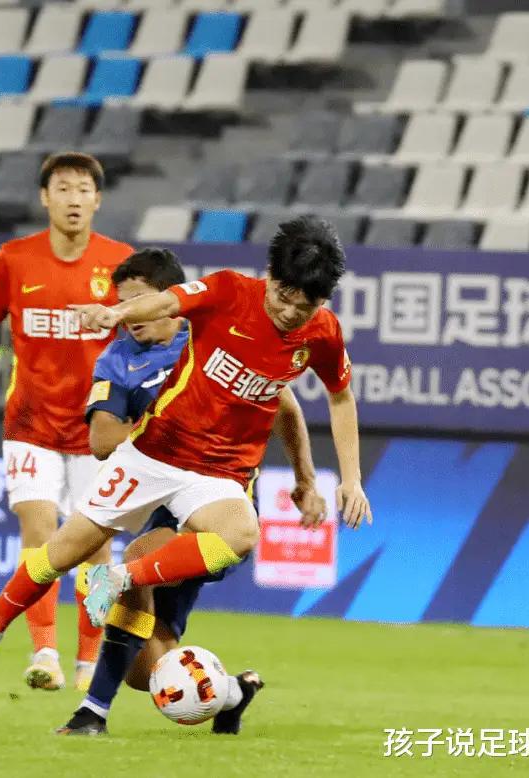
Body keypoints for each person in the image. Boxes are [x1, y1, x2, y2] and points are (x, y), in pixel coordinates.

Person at [0, 217, 372, 694]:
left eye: (304, 305)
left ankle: (116, 579)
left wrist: (348, 479)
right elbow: (166, 301)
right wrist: (115, 314)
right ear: (269, 275)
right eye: (282, 296)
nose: (289, 312)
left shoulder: (323, 334)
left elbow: (340, 398)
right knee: (58, 555)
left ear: (323, 301)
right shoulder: (229, 291)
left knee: (243, 533)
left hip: (218, 473)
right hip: (154, 452)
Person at [54, 248, 325, 736]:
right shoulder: (120, 359)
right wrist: (159, 429)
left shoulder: (218, 334)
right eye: (122, 304)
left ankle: (91, 713)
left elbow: (285, 406)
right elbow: (101, 441)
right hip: (170, 498)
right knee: (150, 671)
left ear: (170, 299)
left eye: (139, 301)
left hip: (221, 502)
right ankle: (234, 694)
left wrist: (305, 481)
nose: (129, 314)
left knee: (136, 562)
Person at [0, 152, 133, 691]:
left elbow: (147, 333)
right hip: (30, 423)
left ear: (98, 200)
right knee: (40, 529)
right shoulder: (14, 259)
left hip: (98, 428)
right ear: (45, 198)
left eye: (83, 190)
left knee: (95, 544)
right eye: (63, 189)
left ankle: (88, 662)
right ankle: (45, 653)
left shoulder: (120, 264)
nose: (74, 199)